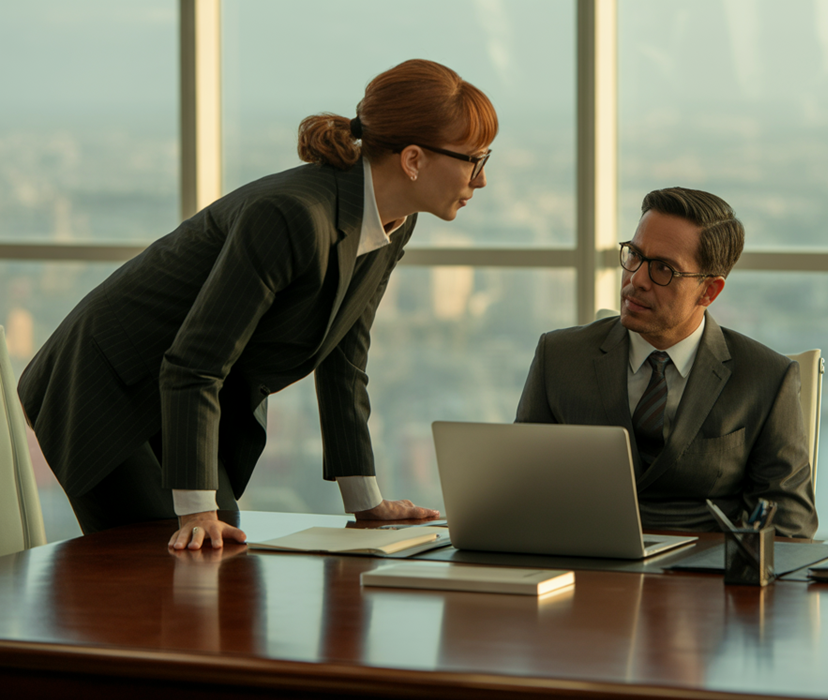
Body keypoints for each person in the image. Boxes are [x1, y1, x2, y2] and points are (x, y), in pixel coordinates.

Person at [18, 59, 496, 549]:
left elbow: (344, 358)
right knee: (176, 573)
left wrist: (365, 501)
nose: (480, 180)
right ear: (413, 159)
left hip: (179, 400)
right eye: (474, 159)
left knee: (220, 569)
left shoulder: (394, 221)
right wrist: (198, 510)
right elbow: (195, 362)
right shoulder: (292, 215)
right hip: (105, 388)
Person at [516, 187, 817, 537]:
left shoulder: (766, 377)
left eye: (663, 269)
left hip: (702, 579)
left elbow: (788, 525)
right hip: (581, 569)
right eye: (634, 256)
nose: (637, 279)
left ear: (709, 291)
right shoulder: (559, 356)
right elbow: (521, 487)